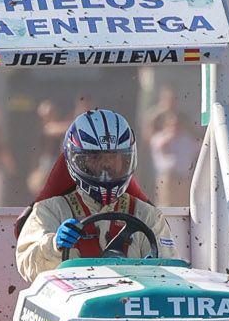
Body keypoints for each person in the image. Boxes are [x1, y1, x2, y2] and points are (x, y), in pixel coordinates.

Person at [16, 109, 164, 281]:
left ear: (127, 160)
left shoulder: (147, 215)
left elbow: (169, 273)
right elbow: (27, 267)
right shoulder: (49, 211)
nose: (106, 165)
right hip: (70, 306)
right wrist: (54, 245)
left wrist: (152, 270)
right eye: (96, 157)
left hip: (131, 304)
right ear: (77, 160)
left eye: (114, 157)